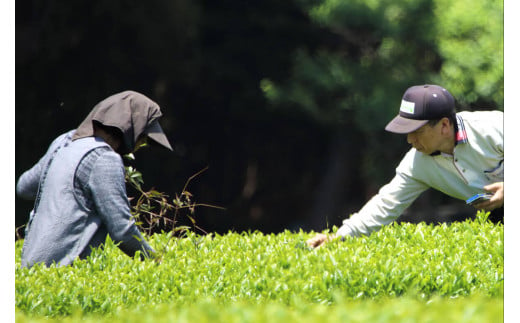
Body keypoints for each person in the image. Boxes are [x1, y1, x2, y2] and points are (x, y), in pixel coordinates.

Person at [307, 84, 504, 248]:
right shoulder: (416, 162)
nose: (410, 139)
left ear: (444, 125)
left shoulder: (493, 127)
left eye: (417, 131)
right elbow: (385, 205)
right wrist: (338, 238)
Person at [16, 90, 174, 267]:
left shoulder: (64, 142)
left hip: (30, 269)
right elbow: (123, 231)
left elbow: (24, 187)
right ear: (128, 129)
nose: (138, 147)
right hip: (67, 272)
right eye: (142, 139)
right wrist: (159, 264)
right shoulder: (104, 159)